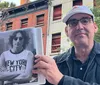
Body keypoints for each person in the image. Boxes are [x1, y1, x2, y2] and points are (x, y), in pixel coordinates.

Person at [33, 5, 100, 85]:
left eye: (85, 21)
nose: (79, 27)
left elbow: (59, 79)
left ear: (95, 27)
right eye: (73, 23)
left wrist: (62, 80)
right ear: (66, 31)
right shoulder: (55, 64)